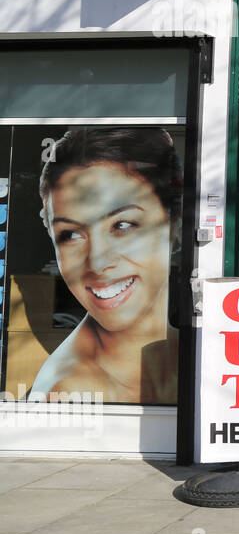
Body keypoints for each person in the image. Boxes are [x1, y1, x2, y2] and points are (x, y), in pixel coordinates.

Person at [29, 127, 181, 404]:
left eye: (122, 225)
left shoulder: (197, 356)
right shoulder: (67, 392)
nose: (97, 263)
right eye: (71, 234)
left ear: (175, 224)